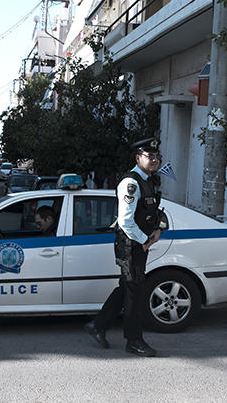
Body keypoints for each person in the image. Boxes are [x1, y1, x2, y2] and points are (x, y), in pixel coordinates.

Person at [84, 138, 163, 357]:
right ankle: (134, 340)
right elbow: (126, 221)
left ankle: (98, 325)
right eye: (150, 156)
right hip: (131, 245)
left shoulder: (149, 181)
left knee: (128, 288)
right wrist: (144, 240)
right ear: (138, 158)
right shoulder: (131, 183)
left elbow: (151, 212)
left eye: (156, 156)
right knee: (134, 293)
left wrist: (157, 229)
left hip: (139, 243)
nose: (155, 159)